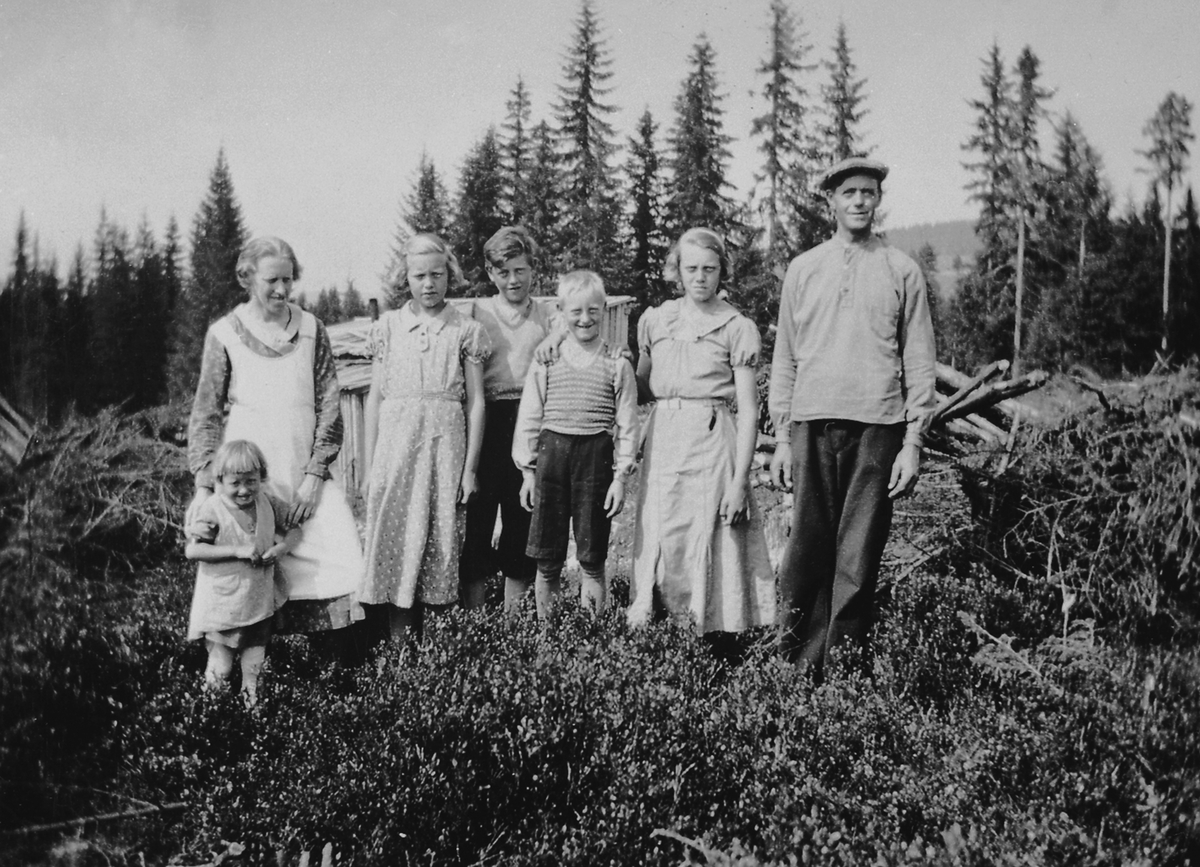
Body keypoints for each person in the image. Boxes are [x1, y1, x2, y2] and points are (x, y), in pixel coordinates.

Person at [768, 157, 937, 677]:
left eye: (868, 192)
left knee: (857, 556)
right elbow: (786, 357)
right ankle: (795, 667)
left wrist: (913, 441)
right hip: (812, 425)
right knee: (805, 552)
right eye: (849, 193)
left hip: (877, 427)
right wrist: (780, 438)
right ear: (831, 201)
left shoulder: (900, 270)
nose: (860, 201)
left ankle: (842, 676)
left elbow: (919, 359)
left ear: (878, 200)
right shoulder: (805, 268)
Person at [188, 237, 364, 645]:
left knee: (341, 561)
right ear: (247, 277)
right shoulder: (224, 334)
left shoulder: (311, 329)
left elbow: (330, 404)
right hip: (247, 482)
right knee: (243, 575)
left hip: (304, 474)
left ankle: (335, 681)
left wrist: (315, 475)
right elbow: (206, 412)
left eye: (288, 279)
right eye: (272, 280)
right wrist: (203, 486)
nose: (282, 290)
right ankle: (240, 687)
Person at [627, 227, 776, 639]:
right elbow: (643, 388)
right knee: (662, 533)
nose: (700, 277)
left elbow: (748, 408)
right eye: (691, 268)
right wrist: (620, 365)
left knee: (710, 535)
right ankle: (663, 634)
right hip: (664, 438)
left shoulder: (736, 326)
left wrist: (740, 481)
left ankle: (713, 639)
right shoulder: (657, 320)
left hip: (712, 440)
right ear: (677, 270)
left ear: (721, 271)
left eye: (709, 269)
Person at [359, 233, 490, 642]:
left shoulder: (464, 330)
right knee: (398, 542)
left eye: (437, 274)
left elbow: (477, 402)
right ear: (407, 278)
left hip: (443, 449)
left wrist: (469, 469)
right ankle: (399, 650)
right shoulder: (387, 328)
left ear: (449, 275)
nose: (429, 284)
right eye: (419, 276)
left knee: (440, 539)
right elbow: (374, 400)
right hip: (396, 450)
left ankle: (436, 658)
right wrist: (367, 468)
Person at [512, 270, 638, 618]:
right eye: (576, 311)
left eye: (593, 311)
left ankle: (591, 636)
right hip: (552, 461)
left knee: (592, 560)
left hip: (595, 462)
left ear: (603, 309)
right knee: (547, 560)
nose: (585, 319)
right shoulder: (547, 359)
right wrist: (527, 472)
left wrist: (620, 477)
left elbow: (628, 424)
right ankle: (546, 636)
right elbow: (530, 416)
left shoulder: (616, 363)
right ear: (562, 312)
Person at [460, 227, 556, 610]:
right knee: (478, 520)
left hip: (531, 421)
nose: (513, 280)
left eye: (520, 270)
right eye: (504, 273)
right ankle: (474, 622)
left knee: (523, 518)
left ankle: (513, 625)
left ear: (533, 270)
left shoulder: (548, 316)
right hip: (485, 420)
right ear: (490, 273)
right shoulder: (476, 313)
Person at [185, 440, 300, 706]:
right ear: (220, 481)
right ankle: (209, 715)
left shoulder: (268, 502)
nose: (244, 490)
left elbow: (295, 530)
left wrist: (282, 547)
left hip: (257, 601)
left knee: (254, 665)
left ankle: (252, 713)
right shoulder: (213, 508)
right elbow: (193, 551)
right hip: (224, 604)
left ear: (261, 477)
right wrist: (236, 551)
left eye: (251, 481)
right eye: (235, 483)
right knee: (220, 665)